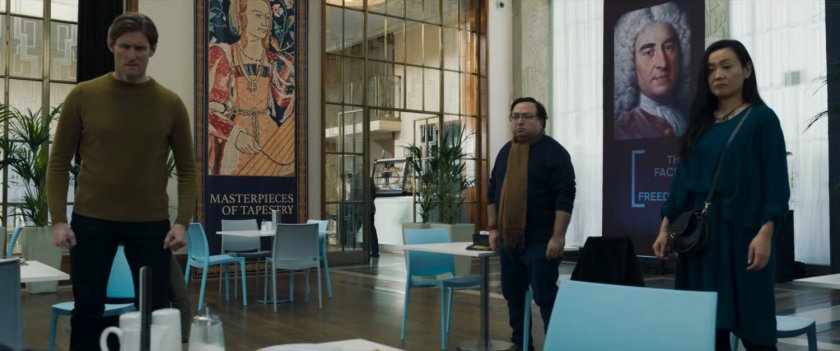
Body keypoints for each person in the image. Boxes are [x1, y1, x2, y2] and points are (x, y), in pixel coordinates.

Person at [46, 13, 199, 351]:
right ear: (111, 46)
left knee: (156, 312)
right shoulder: (84, 96)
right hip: (91, 220)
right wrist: (58, 220)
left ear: (152, 51)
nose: (133, 55)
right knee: (88, 311)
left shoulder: (170, 104)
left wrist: (183, 222)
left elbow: (189, 169)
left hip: (149, 224)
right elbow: (58, 164)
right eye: (126, 46)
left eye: (141, 48)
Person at [653, 39, 789, 351]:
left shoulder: (761, 119)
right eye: (711, 69)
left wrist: (766, 232)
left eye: (727, 66)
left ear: (747, 70)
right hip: (700, 242)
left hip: (743, 237)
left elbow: (776, 183)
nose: (718, 74)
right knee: (705, 331)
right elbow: (681, 181)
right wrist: (665, 226)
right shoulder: (700, 124)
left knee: (755, 328)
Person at [487, 97, 576, 350]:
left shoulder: (554, 152)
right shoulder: (505, 152)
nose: (519, 122)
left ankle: (556, 343)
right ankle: (521, 343)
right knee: (513, 295)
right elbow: (492, 190)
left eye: (526, 116)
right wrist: (493, 230)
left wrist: (558, 237)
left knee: (545, 296)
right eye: (515, 116)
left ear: (541, 121)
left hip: (541, 240)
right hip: (509, 240)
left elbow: (565, 196)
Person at [207, 0, 295, 176]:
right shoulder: (223, 54)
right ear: (241, 17)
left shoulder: (279, 62)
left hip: (271, 138)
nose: (264, 22)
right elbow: (206, 112)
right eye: (257, 15)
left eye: (267, 17)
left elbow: (288, 111)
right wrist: (235, 134)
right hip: (236, 138)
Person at [614, 2, 691, 140]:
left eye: (669, 48)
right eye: (649, 52)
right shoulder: (624, 129)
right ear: (631, 63)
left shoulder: (689, 116)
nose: (662, 63)